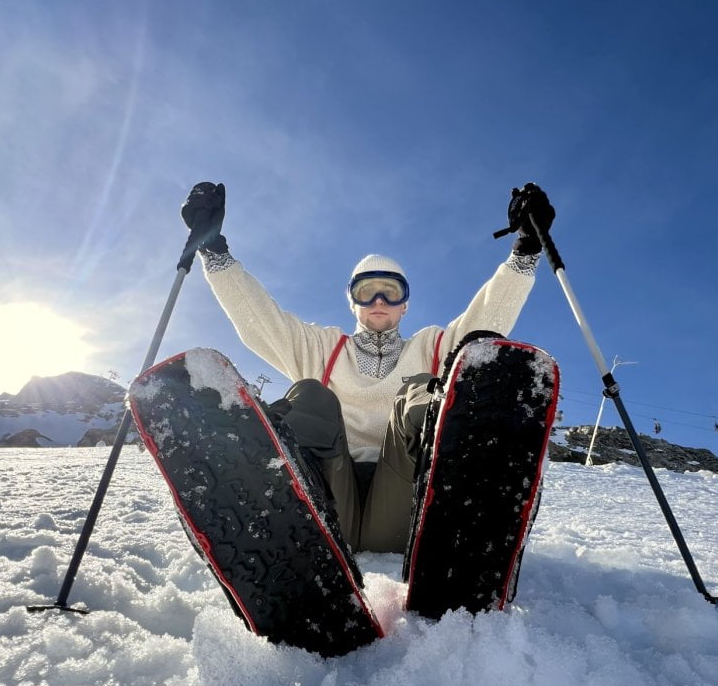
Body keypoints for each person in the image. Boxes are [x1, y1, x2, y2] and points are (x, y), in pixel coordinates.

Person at [180, 181, 554, 554]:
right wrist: (213, 252)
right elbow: (260, 320)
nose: (379, 301)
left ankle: (475, 505)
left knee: (427, 389)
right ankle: (265, 501)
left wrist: (525, 251)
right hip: (328, 502)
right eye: (366, 292)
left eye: (391, 293)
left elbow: (482, 322)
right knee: (310, 395)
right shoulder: (323, 348)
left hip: (401, 501)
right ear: (352, 303)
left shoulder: (431, 346)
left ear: (404, 305)